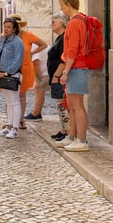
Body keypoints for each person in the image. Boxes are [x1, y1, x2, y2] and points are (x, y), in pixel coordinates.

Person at [0, 13, 46, 129]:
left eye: (14, 25)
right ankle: (9, 121)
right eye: (6, 26)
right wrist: (4, 34)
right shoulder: (5, 38)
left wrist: (32, 53)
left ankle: (19, 121)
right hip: (7, 70)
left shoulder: (27, 36)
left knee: (21, 96)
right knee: (9, 96)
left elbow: (43, 44)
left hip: (24, 69)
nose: (8, 28)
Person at [56, 0, 90, 152]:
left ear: (69, 5)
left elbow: (73, 49)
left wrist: (65, 72)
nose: (62, 9)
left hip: (77, 67)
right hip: (76, 67)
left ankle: (81, 140)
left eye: (62, 6)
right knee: (73, 105)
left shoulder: (75, 23)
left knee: (77, 106)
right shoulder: (78, 20)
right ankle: (73, 137)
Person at [0, 18, 25, 139]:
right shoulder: (3, 41)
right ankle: (9, 126)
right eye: (5, 26)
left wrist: (6, 72)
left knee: (15, 102)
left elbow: (18, 60)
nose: (6, 29)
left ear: (14, 29)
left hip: (12, 75)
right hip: (1, 74)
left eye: (9, 27)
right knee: (8, 102)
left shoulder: (17, 42)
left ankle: (15, 128)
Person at [47, 12, 71, 141]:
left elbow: (64, 59)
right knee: (60, 103)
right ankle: (64, 129)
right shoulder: (59, 38)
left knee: (62, 103)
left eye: (53, 22)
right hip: (57, 76)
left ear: (61, 23)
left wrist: (56, 76)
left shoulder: (64, 38)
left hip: (60, 77)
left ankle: (67, 130)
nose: (51, 24)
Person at [24, 43, 50, 121]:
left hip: (44, 74)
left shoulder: (34, 48)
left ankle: (35, 114)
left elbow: (36, 64)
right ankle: (38, 113)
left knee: (39, 92)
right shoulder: (38, 45)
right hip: (46, 72)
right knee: (39, 92)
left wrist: (38, 79)